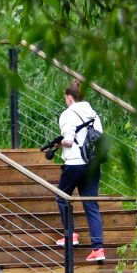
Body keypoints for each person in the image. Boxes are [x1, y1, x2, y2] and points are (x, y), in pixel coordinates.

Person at [52, 80, 106, 262]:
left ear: (69, 97)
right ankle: (98, 249)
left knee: (62, 197)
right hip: (92, 164)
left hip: (75, 163)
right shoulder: (94, 114)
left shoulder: (67, 114)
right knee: (91, 204)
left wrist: (60, 144)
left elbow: (68, 140)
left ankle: (71, 235)